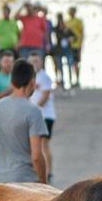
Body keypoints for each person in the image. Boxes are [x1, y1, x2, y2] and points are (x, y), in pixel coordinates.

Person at [0, 58, 50, 184]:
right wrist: (43, 184)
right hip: (26, 181)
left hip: (0, 183)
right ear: (32, 82)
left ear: (12, 82)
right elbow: (36, 156)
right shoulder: (33, 111)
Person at [32, 50, 57, 180]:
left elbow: (45, 96)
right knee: (37, 144)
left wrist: (31, 109)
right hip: (36, 116)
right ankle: (41, 171)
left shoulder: (45, 77)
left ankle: (48, 172)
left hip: (46, 116)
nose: (34, 63)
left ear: (41, 62)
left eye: (36, 61)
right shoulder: (31, 77)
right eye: (31, 61)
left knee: (43, 144)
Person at [67, 7, 84, 88]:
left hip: (76, 45)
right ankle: (70, 80)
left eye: (72, 11)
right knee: (70, 63)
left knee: (76, 63)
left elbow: (82, 33)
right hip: (68, 46)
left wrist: (81, 45)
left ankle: (77, 79)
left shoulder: (78, 21)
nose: (71, 13)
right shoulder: (67, 22)